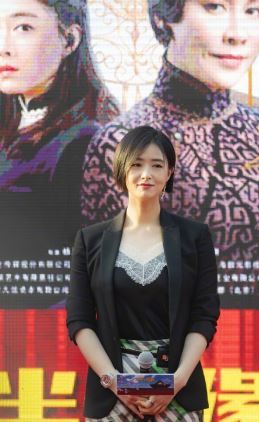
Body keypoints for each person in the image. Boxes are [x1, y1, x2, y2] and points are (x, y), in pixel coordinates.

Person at [80, 0, 259, 306]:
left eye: (253, 11)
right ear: (164, 17)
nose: (237, 34)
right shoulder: (121, 144)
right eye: (214, 7)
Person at [66, 126, 219, 420]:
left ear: (169, 173)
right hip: (112, 388)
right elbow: (79, 320)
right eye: (136, 164)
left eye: (157, 165)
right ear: (122, 169)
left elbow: (204, 315)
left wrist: (175, 382)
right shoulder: (90, 240)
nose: (146, 174)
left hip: (177, 384)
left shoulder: (195, 237)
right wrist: (117, 383)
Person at [0, 0, 118, 262]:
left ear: (69, 40)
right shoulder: (13, 119)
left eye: (23, 27)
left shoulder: (88, 142)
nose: (3, 47)